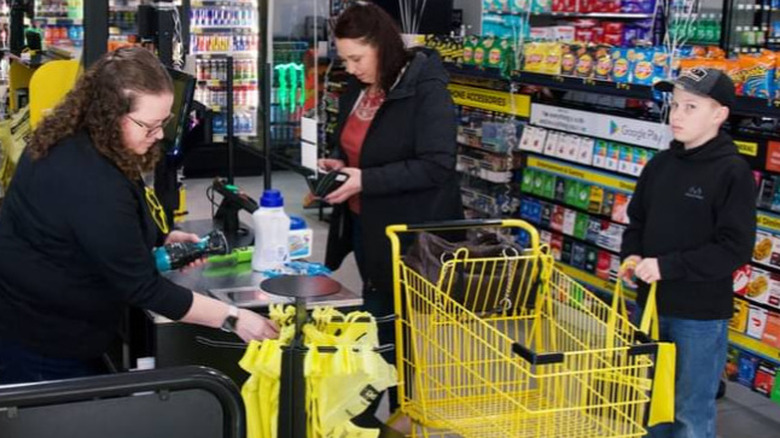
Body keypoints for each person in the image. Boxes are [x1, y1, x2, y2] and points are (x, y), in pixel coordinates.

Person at [0, 47, 278, 384]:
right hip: (45, 342)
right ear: (109, 112)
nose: (159, 134)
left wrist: (161, 238)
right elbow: (144, 289)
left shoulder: (81, 136)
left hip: (47, 321)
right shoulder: (89, 180)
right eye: (150, 125)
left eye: (165, 122)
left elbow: (92, 227)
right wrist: (234, 318)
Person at [319, 1, 462, 431]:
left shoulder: (425, 89)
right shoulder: (357, 88)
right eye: (344, 58)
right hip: (366, 226)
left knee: (389, 327)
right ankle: (380, 413)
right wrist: (338, 165)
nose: (350, 66)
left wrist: (366, 179)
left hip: (409, 235)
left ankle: (392, 415)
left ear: (382, 45)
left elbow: (438, 164)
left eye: (356, 58)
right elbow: (358, 144)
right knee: (380, 320)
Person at [620, 68, 756, 438]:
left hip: (699, 316)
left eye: (690, 107)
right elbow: (637, 223)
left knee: (689, 413)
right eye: (675, 105)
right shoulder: (660, 165)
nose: (677, 115)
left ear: (719, 114)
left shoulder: (733, 172)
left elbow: (734, 248)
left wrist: (668, 266)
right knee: (650, 406)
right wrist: (631, 257)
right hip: (650, 307)